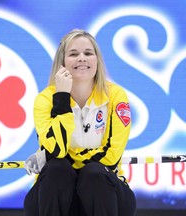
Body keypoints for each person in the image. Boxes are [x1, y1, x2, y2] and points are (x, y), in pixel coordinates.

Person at [23, 29, 136, 216]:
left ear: (97, 61)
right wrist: (61, 98)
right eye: (73, 54)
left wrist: (55, 158)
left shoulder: (116, 95)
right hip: (56, 194)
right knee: (57, 169)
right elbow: (57, 151)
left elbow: (112, 156)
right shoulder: (45, 99)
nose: (82, 58)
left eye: (88, 53)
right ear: (62, 63)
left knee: (93, 173)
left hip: (104, 193)